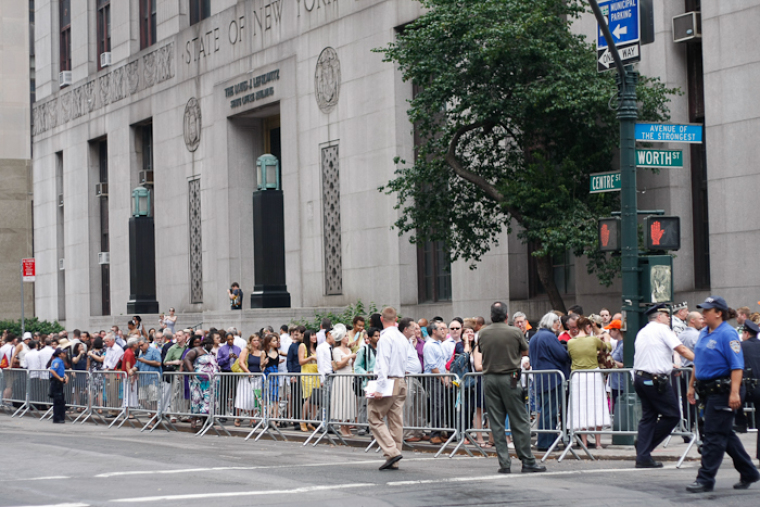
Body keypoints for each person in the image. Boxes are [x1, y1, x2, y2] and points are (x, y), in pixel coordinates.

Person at [686, 296, 760, 492]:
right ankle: (750, 472)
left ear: (718, 313)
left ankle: (705, 479)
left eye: (707, 310)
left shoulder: (728, 334)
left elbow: (737, 366)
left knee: (713, 435)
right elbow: (698, 361)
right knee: (725, 434)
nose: (703, 314)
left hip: (725, 390)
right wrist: (691, 385)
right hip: (708, 390)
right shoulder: (703, 333)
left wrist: (735, 393)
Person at [478, 302, 545, 474]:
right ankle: (527, 460)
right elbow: (524, 352)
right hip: (512, 376)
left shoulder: (483, 333)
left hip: (490, 377)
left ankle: (504, 463)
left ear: (491, 316)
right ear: (507, 316)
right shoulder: (515, 332)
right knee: (519, 418)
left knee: (496, 421)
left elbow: (481, 351)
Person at [632, 304, 695, 468]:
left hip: (640, 378)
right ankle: (644, 448)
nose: (669, 318)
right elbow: (681, 349)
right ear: (659, 316)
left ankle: (643, 454)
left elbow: (652, 354)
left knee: (649, 417)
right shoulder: (662, 330)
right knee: (672, 415)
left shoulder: (643, 332)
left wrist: (668, 364)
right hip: (654, 380)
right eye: (667, 315)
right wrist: (701, 360)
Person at [368, 307, 409, 470]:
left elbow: (383, 363)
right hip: (401, 379)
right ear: (396, 319)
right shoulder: (401, 338)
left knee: (374, 416)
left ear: (382, 320)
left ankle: (392, 452)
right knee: (395, 420)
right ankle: (394, 457)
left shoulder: (385, 338)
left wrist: (380, 386)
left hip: (390, 380)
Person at [566, 316, 611, 449]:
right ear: (587, 327)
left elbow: (570, 356)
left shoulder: (571, 342)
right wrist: (605, 339)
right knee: (597, 407)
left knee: (580, 409)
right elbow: (608, 348)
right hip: (593, 375)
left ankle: (583, 442)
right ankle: (598, 443)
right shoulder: (593, 340)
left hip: (577, 376)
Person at [529, 312, 571, 451]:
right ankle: (547, 442)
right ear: (553, 323)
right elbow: (562, 355)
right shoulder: (549, 336)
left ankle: (545, 441)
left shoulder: (535, 337)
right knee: (550, 412)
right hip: (552, 379)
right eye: (557, 323)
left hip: (541, 378)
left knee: (546, 411)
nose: (559, 326)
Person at [733, 319, 760, 460]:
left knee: (734, 401)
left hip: (746, 387)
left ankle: (741, 423)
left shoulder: (741, 346)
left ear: (746, 333)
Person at [183, 335, 218, 430]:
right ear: (204, 344)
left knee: (207, 401)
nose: (210, 345)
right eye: (208, 344)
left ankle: (204, 422)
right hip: (197, 381)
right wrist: (192, 372)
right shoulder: (197, 350)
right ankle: (193, 419)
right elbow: (187, 359)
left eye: (211, 344)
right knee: (196, 400)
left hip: (209, 383)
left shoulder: (211, 353)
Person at [423, 320, 450, 445]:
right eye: (440, 329)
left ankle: (440, 431)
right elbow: (432, 365)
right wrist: (442, 378)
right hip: (434, 378)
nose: (443, 331)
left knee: (441, 405)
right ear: (434, 331)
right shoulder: (429, 345)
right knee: (436, 405)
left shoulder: (438, 344)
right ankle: (435, 434)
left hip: (440, 377)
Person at [330, 325, 357, 437]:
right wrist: (350, 356)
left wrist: (353, 358)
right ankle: (342, 426)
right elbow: (339, 363)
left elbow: (350, 364)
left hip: (349, 377)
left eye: (347, 336)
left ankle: (347, 425)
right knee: (342, 401)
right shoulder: (336, 350)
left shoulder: (349, 349)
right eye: (345, 336)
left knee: (349, 401)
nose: (347, 338)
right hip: (341, 378)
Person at [234, 334, 264, 427]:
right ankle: (237, 417)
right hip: (247, 378)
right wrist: (248, 372)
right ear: (250, 341)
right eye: (254, 340)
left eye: (258, 340)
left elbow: (262, 365)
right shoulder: (246, 350)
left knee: (254, 398)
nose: (256, 342)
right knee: (243, 397)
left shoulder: (261, 352)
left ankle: (252, 419)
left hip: (257, 377)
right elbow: (241, 362)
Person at [354, 326, 379, 436]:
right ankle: (362, 426)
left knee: (376, 405)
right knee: (364, 405)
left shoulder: (381, 349)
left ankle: (373, 426)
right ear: (369, 337)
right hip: (367, 381)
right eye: (375, 336)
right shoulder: (364, 350)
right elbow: (357, 366)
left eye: (379, 336)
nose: (378, 338)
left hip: (378, 380)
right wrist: (366, 373)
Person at [298, 330, 320, 431]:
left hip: (316, 374)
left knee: (316, 399)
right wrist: (311, 358)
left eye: (315, 335)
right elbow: (301, 361)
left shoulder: (317, 348)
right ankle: (303, 420)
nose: (314, 337)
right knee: (308, 398)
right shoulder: (303, 346)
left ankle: (311, 421)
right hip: (307, 374)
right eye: (312, 335)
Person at [286, 326, 304, 425]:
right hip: (296, 374)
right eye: (294, 334)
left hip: (306, 374)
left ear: (303, 334)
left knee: (306, 398)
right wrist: (291, 375)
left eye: (297, 334)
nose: (295, 336)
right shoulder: (292, 346)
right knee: (296, 397)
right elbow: (289, 361)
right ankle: (297, 420)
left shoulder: (306, 345)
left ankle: (305, 418)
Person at [48, 348, 68, 424]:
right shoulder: (57, 361)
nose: (65, 354)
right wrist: (59, 378)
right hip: (56, 382)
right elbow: (52, 370)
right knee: (58, 400)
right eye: (63, 353)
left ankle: (60, 417)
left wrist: (65, 377)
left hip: (59, 382)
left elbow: (61, 371)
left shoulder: (60, 361)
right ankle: (57, 417)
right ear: (59, 354)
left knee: (60, 400)